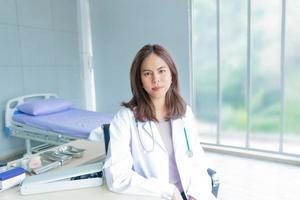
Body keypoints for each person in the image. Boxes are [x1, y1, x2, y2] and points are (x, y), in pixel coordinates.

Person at [104, 44, 217, 200]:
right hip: (155, 195)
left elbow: (198, 161)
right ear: (139, 81)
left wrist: (195, 194)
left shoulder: (184, 113)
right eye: (147, 73)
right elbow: (116, 176)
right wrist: (167, 191)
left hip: (190, 194)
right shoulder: (125, 119)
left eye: (161, 71)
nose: (155, 79)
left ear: (172, 75)